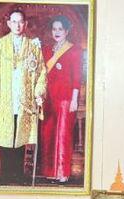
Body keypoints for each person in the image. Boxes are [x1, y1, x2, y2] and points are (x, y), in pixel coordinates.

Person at [0, 9, 47, 186]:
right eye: (14, 21)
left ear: (25, 24)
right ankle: (5, 174)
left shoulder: (33, 46)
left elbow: (41, 72)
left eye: (21, 22)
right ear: (9, 23)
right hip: (4, 98)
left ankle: (18, 175)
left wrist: (39, 93)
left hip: (24, 99)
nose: (17, 25)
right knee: (6, 136)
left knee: (20, 137)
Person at [39, 15, 82, 184]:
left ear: (66, 31)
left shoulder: (74, 50)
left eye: (60, 29)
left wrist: (74, 99)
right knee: (48, 134)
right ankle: (50, 171)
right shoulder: (47, 50)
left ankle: (63, 172)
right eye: (54, 29)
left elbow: (77, 77)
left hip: (66, 98)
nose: (56, 32)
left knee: (63, 135)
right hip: (49, 98)